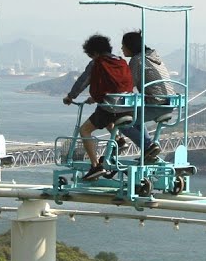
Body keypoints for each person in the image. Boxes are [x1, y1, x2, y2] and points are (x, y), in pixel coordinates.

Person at [62, 34, 134, 181]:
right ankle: (120, 140)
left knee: (85, 130)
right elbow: (116, 85)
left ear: (94, 53)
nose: (91, 58)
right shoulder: (120, 61)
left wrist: (70, 97)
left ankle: (95, 166)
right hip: (127, 105)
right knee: (105, 115)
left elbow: (83, 81)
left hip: (111, 107)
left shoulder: (97, 62)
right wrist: (95, 98)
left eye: (90, 55)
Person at [119, 30, 177, 163]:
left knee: (122, 120)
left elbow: (128, 85)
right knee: (134, 117)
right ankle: (148, 151)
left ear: (130, 46)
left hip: (156, 104)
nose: (121, 48)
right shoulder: (154, 57)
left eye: (123, 45)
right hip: (169, 103)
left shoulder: (137, 60)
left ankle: (148, 147)